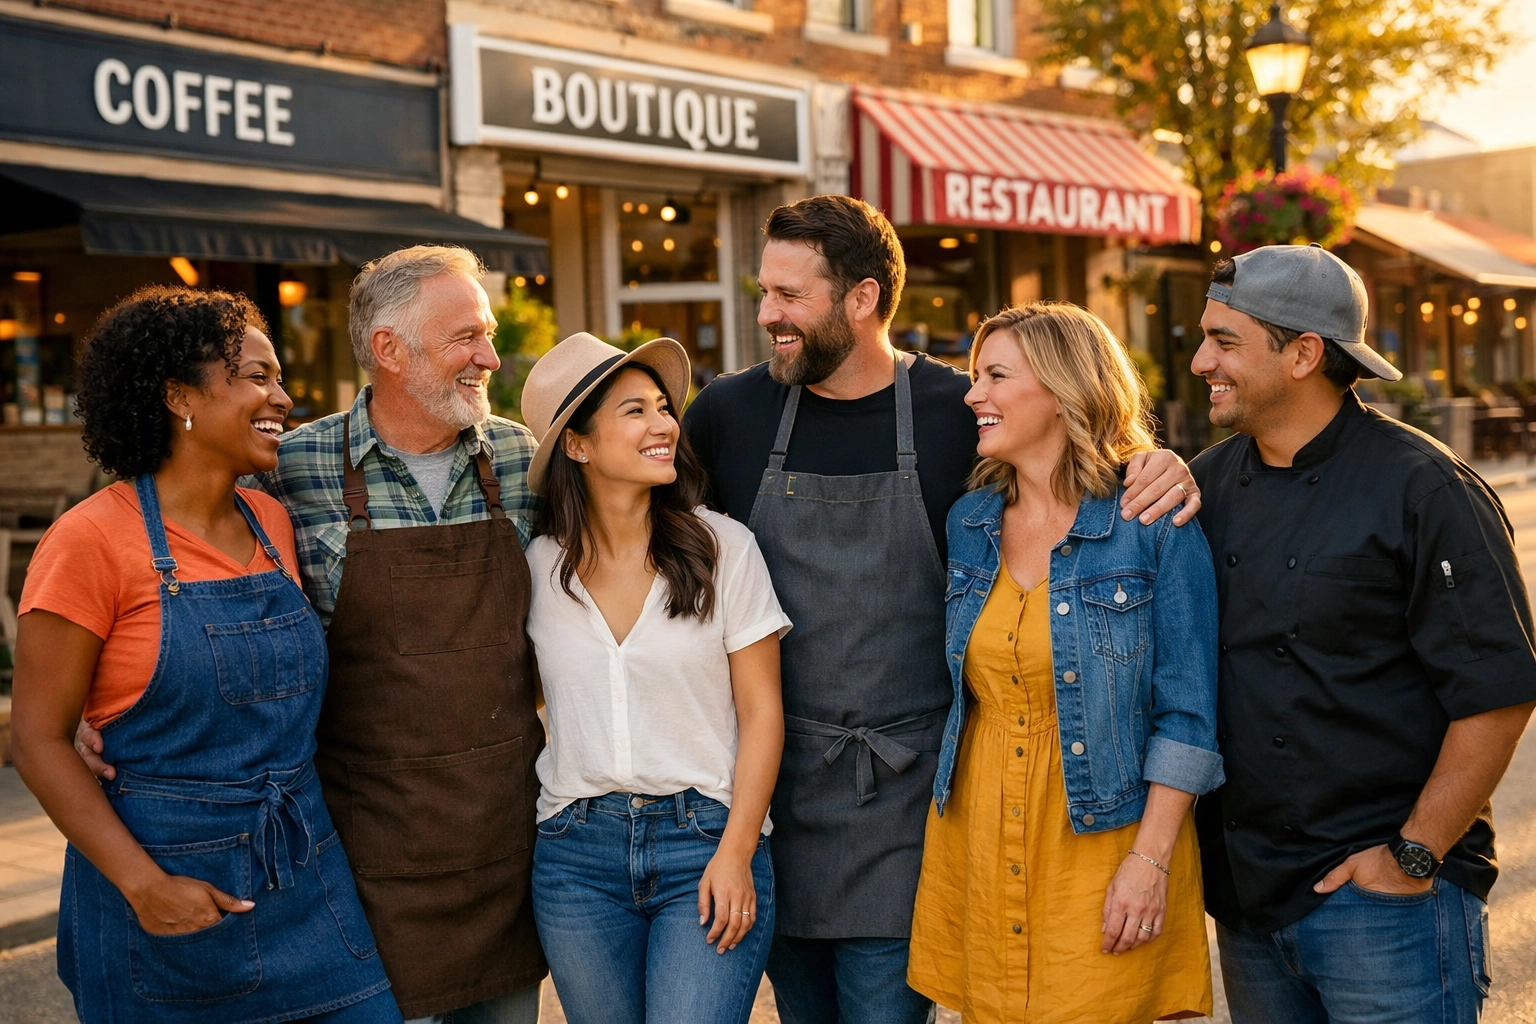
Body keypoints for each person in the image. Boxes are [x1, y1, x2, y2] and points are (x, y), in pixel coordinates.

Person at [682, 194, 1202, 1024]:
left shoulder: (957, 413)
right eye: (764, 291)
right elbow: (652, 541)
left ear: (860, 299)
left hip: (910, 795)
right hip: (774, 792)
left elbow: (1074, 466)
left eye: (788, 295)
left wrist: (1163, 466)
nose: (765, 314)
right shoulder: (725, 415)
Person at [76, 246, 547, 1023]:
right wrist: (92, 709)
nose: (489, 357)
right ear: (391, 349)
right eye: (467, 336)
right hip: (363, 858)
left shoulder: (527, 462)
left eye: (488, 334)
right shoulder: (283, 472)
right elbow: (158, 551)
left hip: (504, 846)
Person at [11, 287, 400, 1023]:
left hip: (306, 881)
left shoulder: (272, 522)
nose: (282, 397)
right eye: (257, 377)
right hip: (165, 897)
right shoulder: (89, 541)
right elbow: (36, 738)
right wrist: (143, 885)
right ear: (178, 394)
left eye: (280, 378)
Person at [1188, 244, 1536, 1024]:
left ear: (1304, 353)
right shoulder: (1203, 485)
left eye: (1225, 340)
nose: (1201, 360)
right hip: (1250, 905)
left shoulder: (1425, 488)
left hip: (1384, 909)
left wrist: (1415, 853)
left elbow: (1500, 692)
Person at [907, 303, 1222, 1023]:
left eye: (995, 375)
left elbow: (1190, 714)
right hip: (979, 832)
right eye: (972, 375)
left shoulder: (1150, 522)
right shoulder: (972, 520)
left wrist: (1149, 864)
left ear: (1060, 389)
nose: (972, 394)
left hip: (1106, 839)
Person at [519, 332, 788, 1024]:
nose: (665, 424)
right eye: (635, 411)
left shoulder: (725, 548)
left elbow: (762, 716)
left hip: (704, 840)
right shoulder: (536, 570)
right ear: (576, 445)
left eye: (664, 407)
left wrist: (736, 853)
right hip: (575, 858)